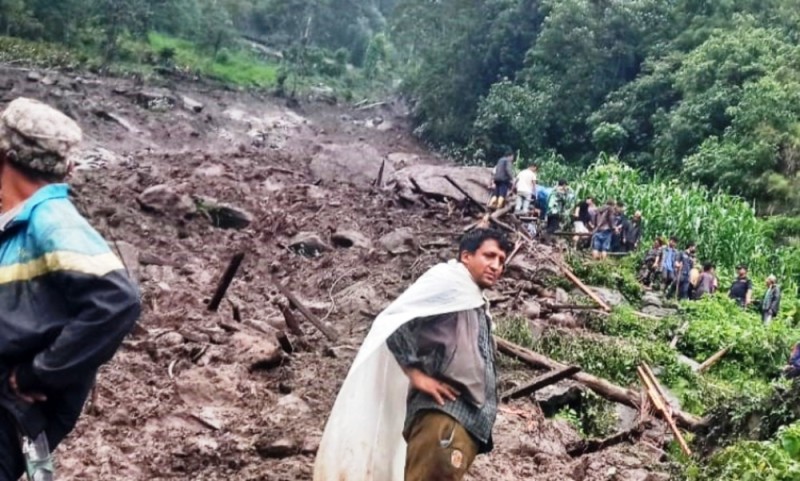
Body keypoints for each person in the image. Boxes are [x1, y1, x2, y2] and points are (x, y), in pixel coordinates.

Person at [0, 98, 141, 478]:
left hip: (10, 412)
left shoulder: (53, 220)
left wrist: (39, 374)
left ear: (4, 152)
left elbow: (118, 301)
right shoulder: (20, 222)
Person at [314, 228, 513, 481]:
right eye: (489, 256)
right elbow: (394, 322)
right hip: (443, 418)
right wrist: (416, 374)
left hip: (459, 422)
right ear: (466, 256)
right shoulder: (448, 282)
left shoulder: (471, 298)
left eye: (502, 261)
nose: (496, 266)